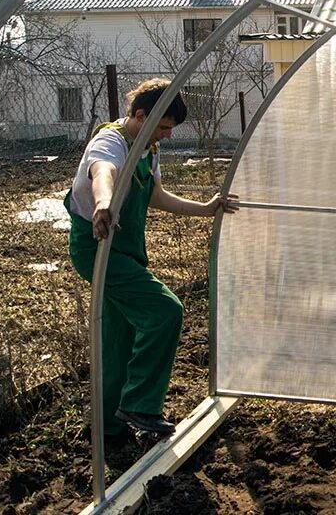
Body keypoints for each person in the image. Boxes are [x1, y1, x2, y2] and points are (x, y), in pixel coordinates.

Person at [65, 78, 237, 438]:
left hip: (124, 249)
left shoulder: (149, 149)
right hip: (98, 247)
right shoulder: (111, 140)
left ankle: (107, 426)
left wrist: (205, 210)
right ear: (140, 116)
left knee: (119, 338)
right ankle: (140, 405)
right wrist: (103, 205)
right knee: (165, 311)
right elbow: (103, 173)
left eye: (170, 128)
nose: (168, 135)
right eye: (163, 127)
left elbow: (156, 195)